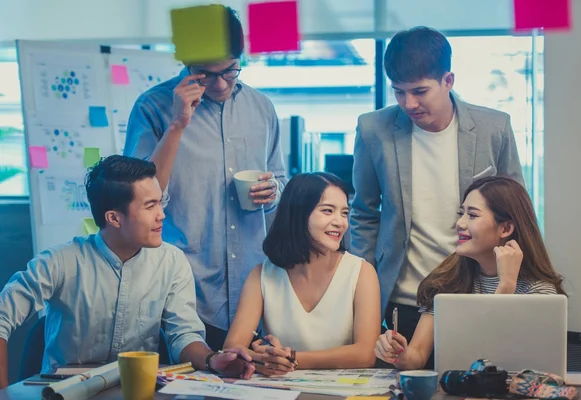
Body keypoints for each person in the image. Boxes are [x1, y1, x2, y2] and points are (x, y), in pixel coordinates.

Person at [350, 26, 525, 368]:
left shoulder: (494, 127)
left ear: (448, 80)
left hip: (475, 291)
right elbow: (363, 213)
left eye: (419, 91)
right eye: (398, 92)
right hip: (403, 295)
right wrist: (364, 291)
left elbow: (516, 211)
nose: (408, 104)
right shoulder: (374, 129)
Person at [0, 156, 255, 389]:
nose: (162, 215)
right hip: (66, 391)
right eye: (150, 206)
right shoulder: (59, 262)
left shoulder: (171, 261)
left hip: (134, 390)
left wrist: (213, 359)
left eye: (161, 202)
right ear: (114, 218)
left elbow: (183, 334)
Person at [123, 5, 287, 351]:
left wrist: (272, 192)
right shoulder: (153, 107)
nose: (221, 83)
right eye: (205, 75)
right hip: (181, 283)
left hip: (251, 286)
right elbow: (137, 197)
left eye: (231, 71)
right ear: (186, 65)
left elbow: (282, 181)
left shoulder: (262, 108)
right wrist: (178, 124)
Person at [374, 176, 566, 370]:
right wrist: (399, 354)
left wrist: (506, 287)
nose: (460, 223)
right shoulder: (449, 281)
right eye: (461, 213)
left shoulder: (539, 292)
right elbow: (418, 355)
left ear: (506, 228)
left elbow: (489, 361)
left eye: (472, 215)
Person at [223, 172, 380, 374]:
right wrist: (264, 359)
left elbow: (366, 354)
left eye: (344, 213)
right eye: (328, 211)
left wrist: (292, 359)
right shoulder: (262, 274)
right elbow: (232, 348)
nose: (340, 222)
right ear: (298, 214)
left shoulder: (362, 272)